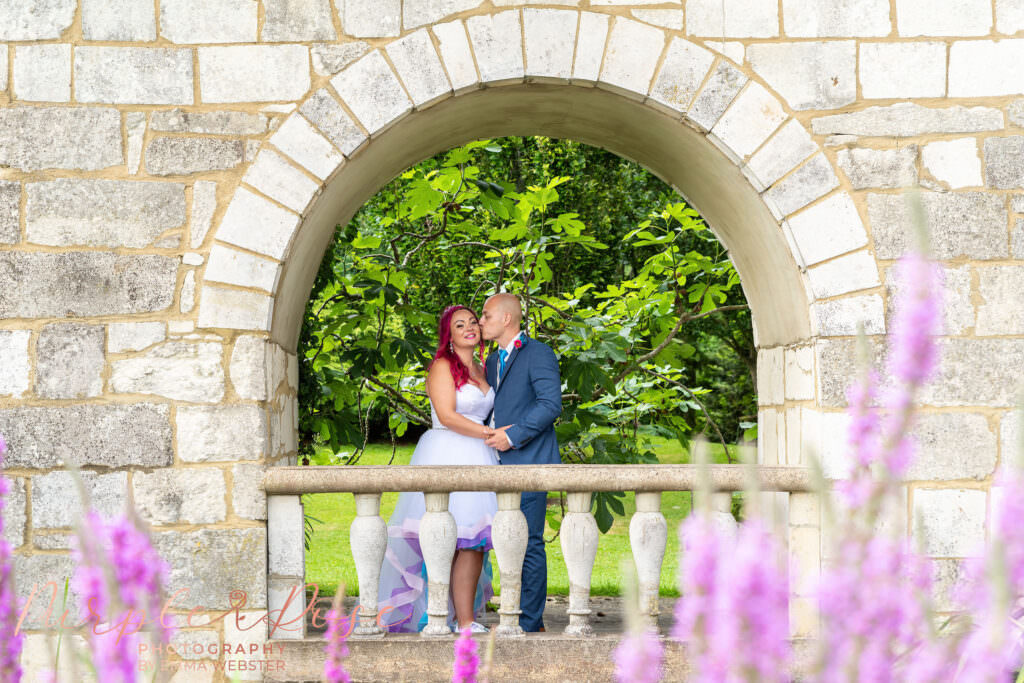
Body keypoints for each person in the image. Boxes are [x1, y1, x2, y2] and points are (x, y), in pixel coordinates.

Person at [377, 305, 498, 634]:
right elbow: (446, 415)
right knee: (444, 538)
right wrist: (490, 433)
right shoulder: (443, 366)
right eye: (460, 325)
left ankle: (466, 621)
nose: (469, 328)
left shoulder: (484, 367)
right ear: (449, 334)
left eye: (473, 322)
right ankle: (436, 614)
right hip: (449, 450)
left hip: (479, 456)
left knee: (474, 540)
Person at [478, 293, 563, 633]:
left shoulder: (538, 353)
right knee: (500, 541)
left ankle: (530, 622)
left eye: (486, 316)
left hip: (529, 460)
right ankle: (506, 613)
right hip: (492, 463)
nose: (481, 322)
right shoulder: (492, 360)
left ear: (506, 319)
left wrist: (513, 436)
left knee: (529, 542)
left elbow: (550, 404)